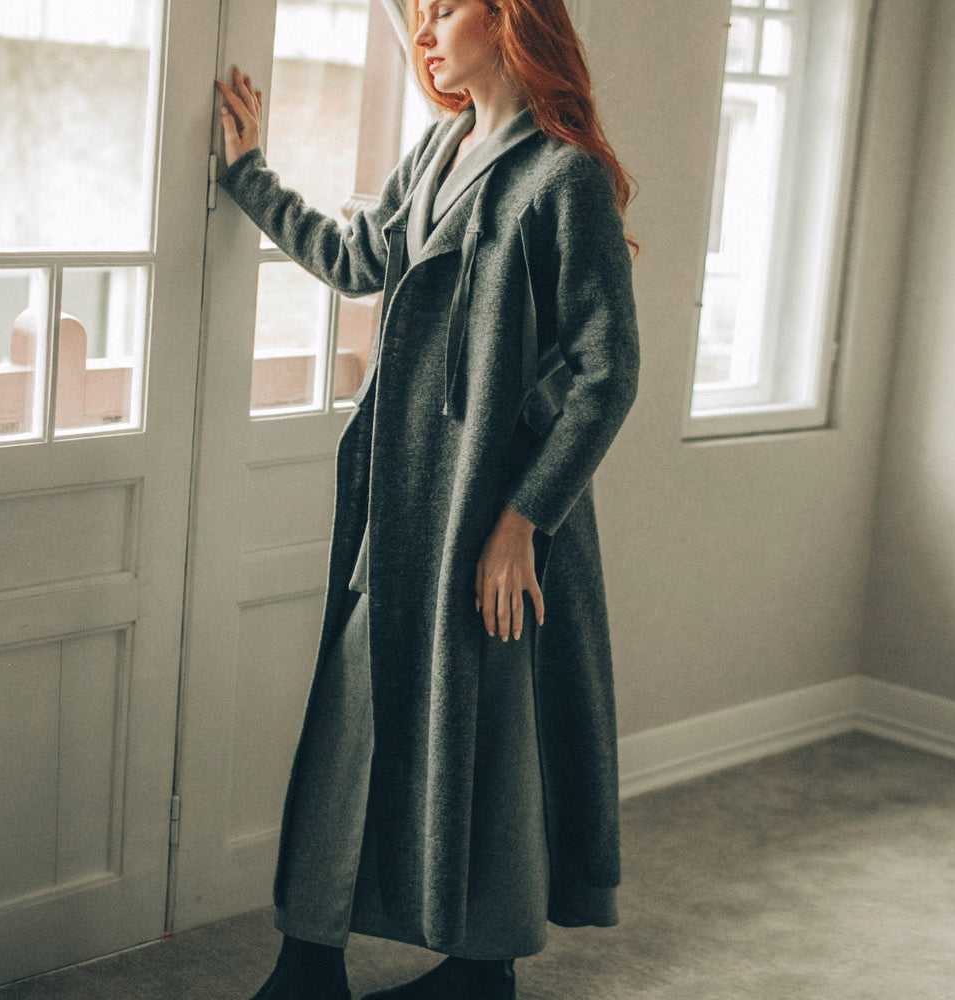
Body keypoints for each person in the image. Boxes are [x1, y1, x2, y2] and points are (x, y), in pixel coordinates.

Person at [215, 0, 639, 997]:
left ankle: (479, 971)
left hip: (495, 518)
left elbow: (603, 374)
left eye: (446, 7)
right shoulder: (439, 149)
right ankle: (308, 958)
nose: (427, 27)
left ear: (512, 18)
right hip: (406, 509)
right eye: (419, 10)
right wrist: (248, 175)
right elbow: (357, 259)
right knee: (350, 725)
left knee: (488, 737)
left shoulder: (562, 175)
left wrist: (520, 522)